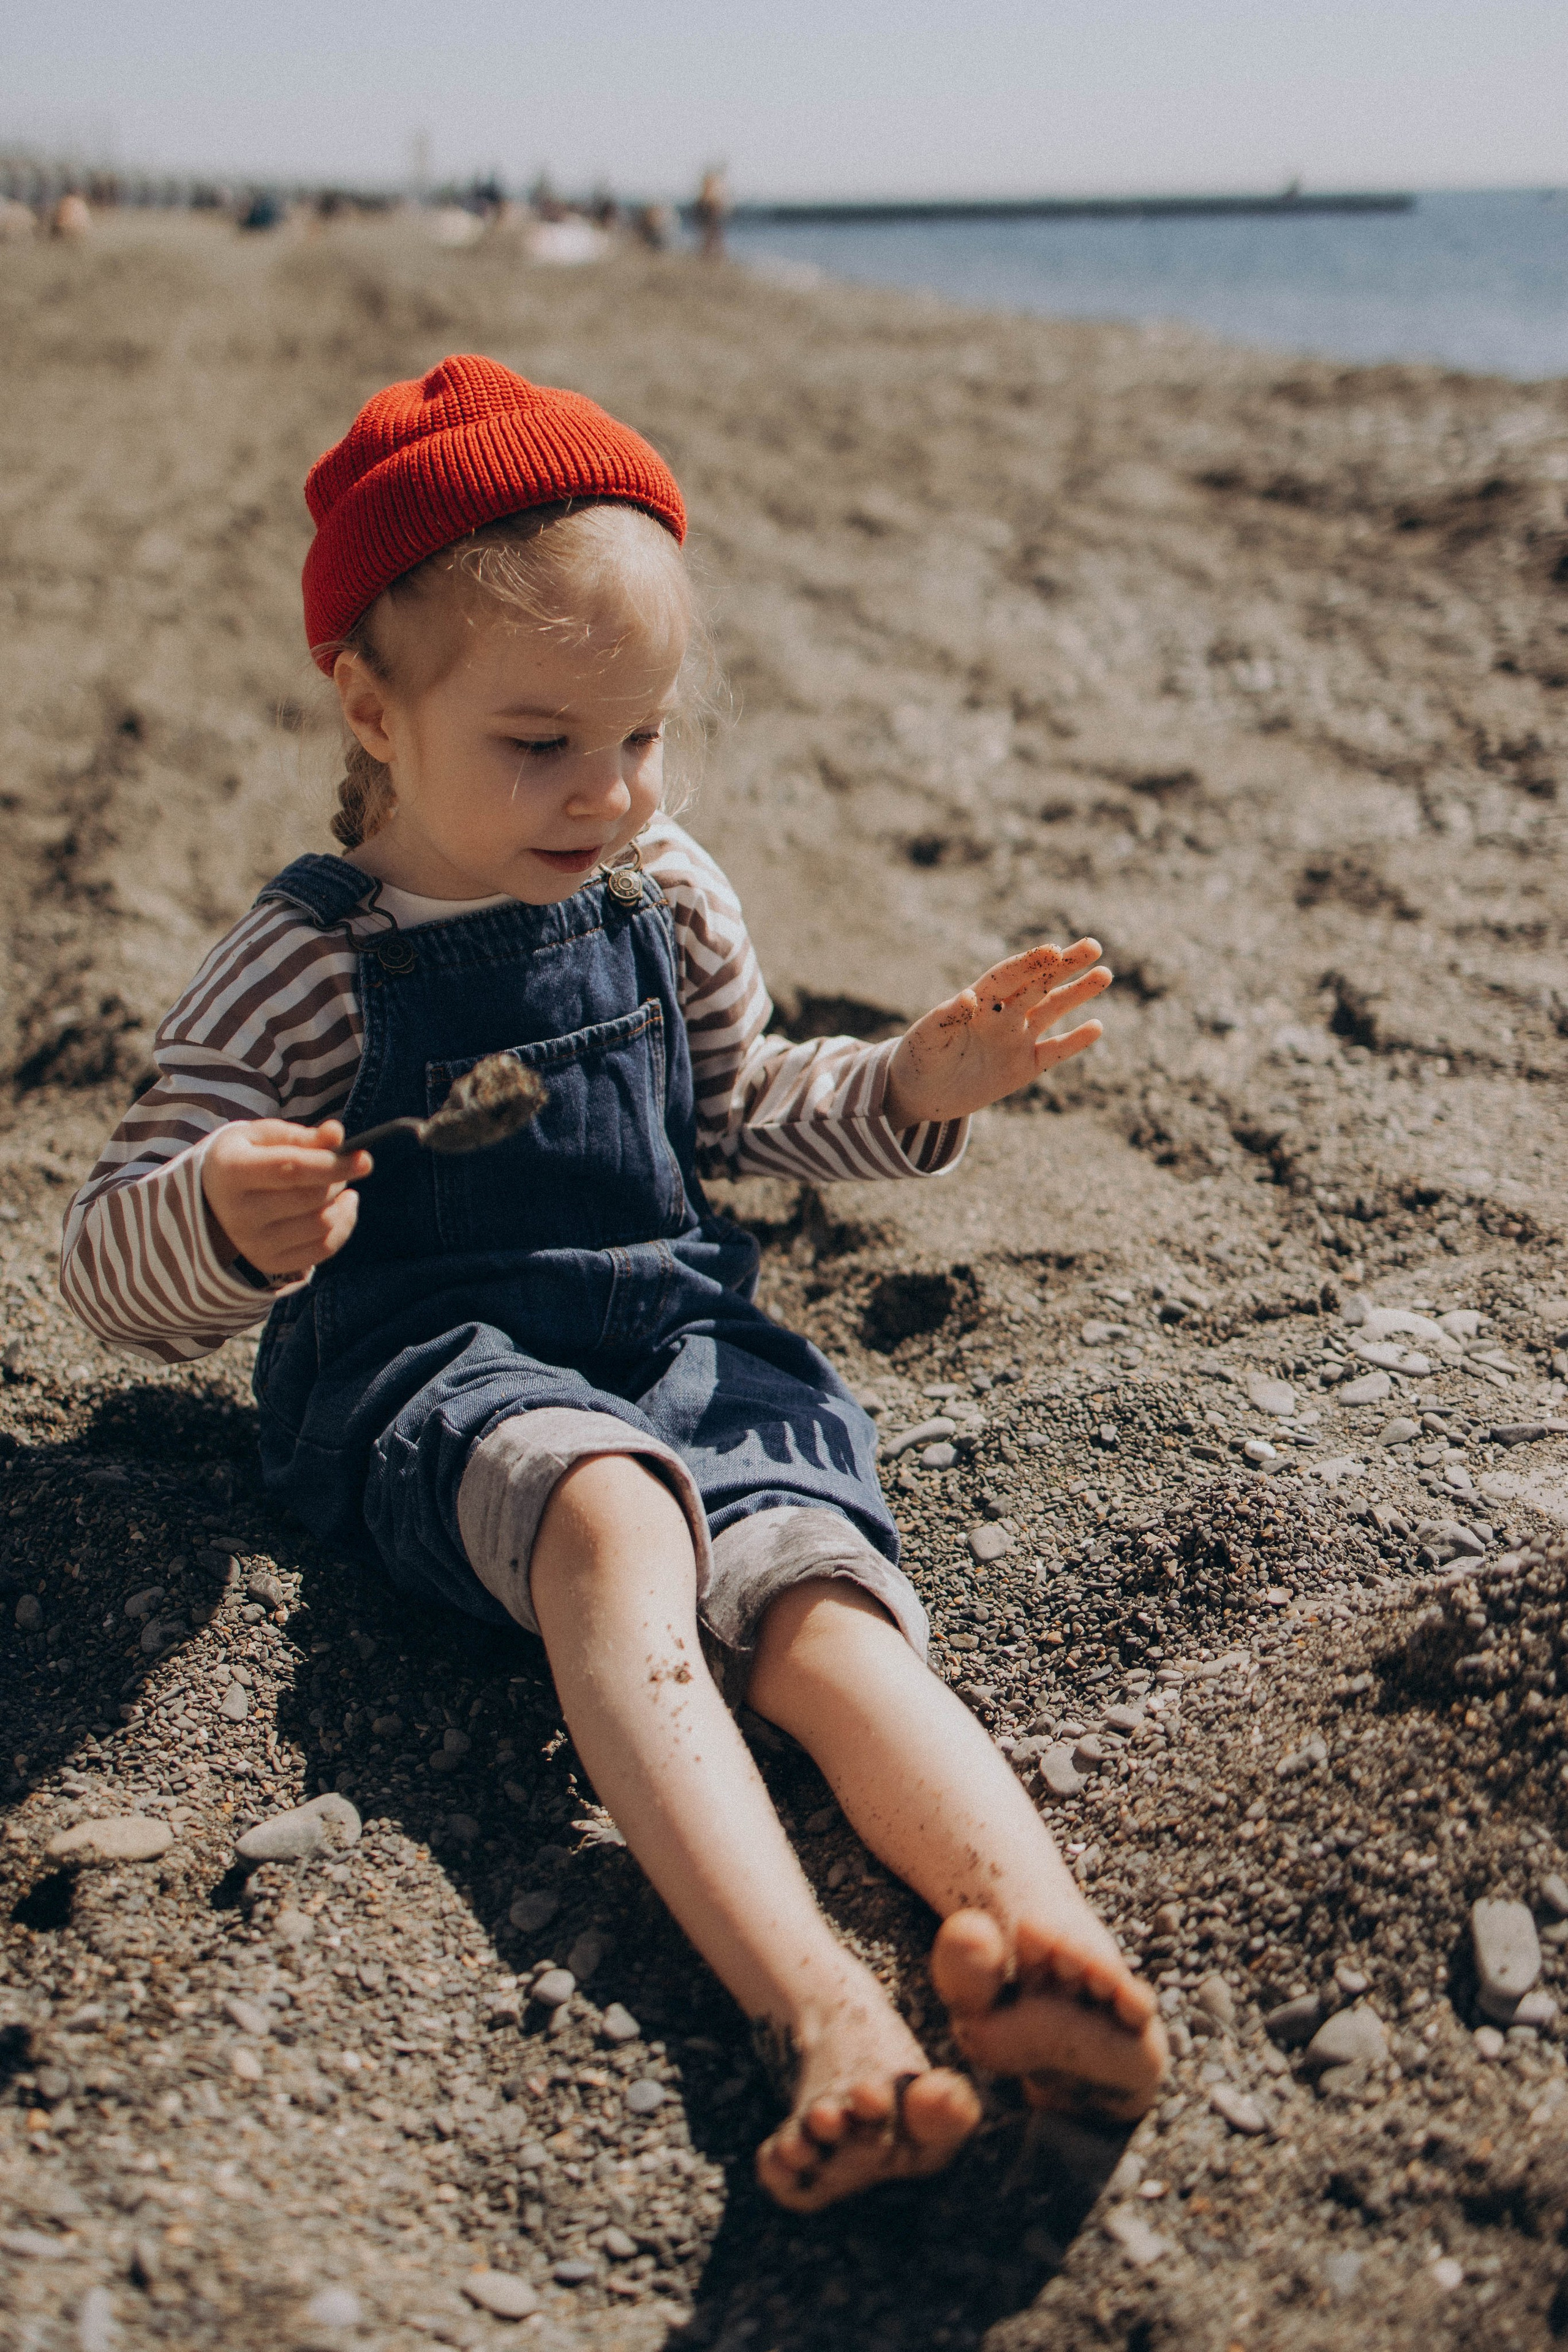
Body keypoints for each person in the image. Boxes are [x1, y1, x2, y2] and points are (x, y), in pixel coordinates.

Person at [61, 356, 1166, 2209]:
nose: (606, 789)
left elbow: (745, 1106)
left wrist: (910, 1085)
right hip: (437, 1371)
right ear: (373, 706)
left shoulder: (663, 889)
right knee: (614, 1521)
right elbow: (108, 1262)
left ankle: (1040, 1934)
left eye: (640, 735)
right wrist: (225, 1216)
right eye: (539, 743)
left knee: (823, 1608)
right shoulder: (306, 964)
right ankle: (822, 2012)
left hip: (678, 1331)